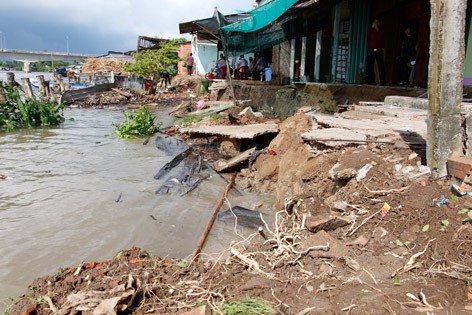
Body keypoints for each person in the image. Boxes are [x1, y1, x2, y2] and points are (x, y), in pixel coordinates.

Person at [366, 17, 386, 86]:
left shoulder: (382, 31)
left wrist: (379, 47)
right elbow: (368, 40)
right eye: (374, 22)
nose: (376, 23)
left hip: (378, 50)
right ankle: (372, 82)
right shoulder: (370, 31)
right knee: (370, 66)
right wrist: (371, 47)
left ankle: (383, 82)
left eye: (377, 22)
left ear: (379, 23)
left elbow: (383, 41)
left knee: (381, 66)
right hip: (371, 50)